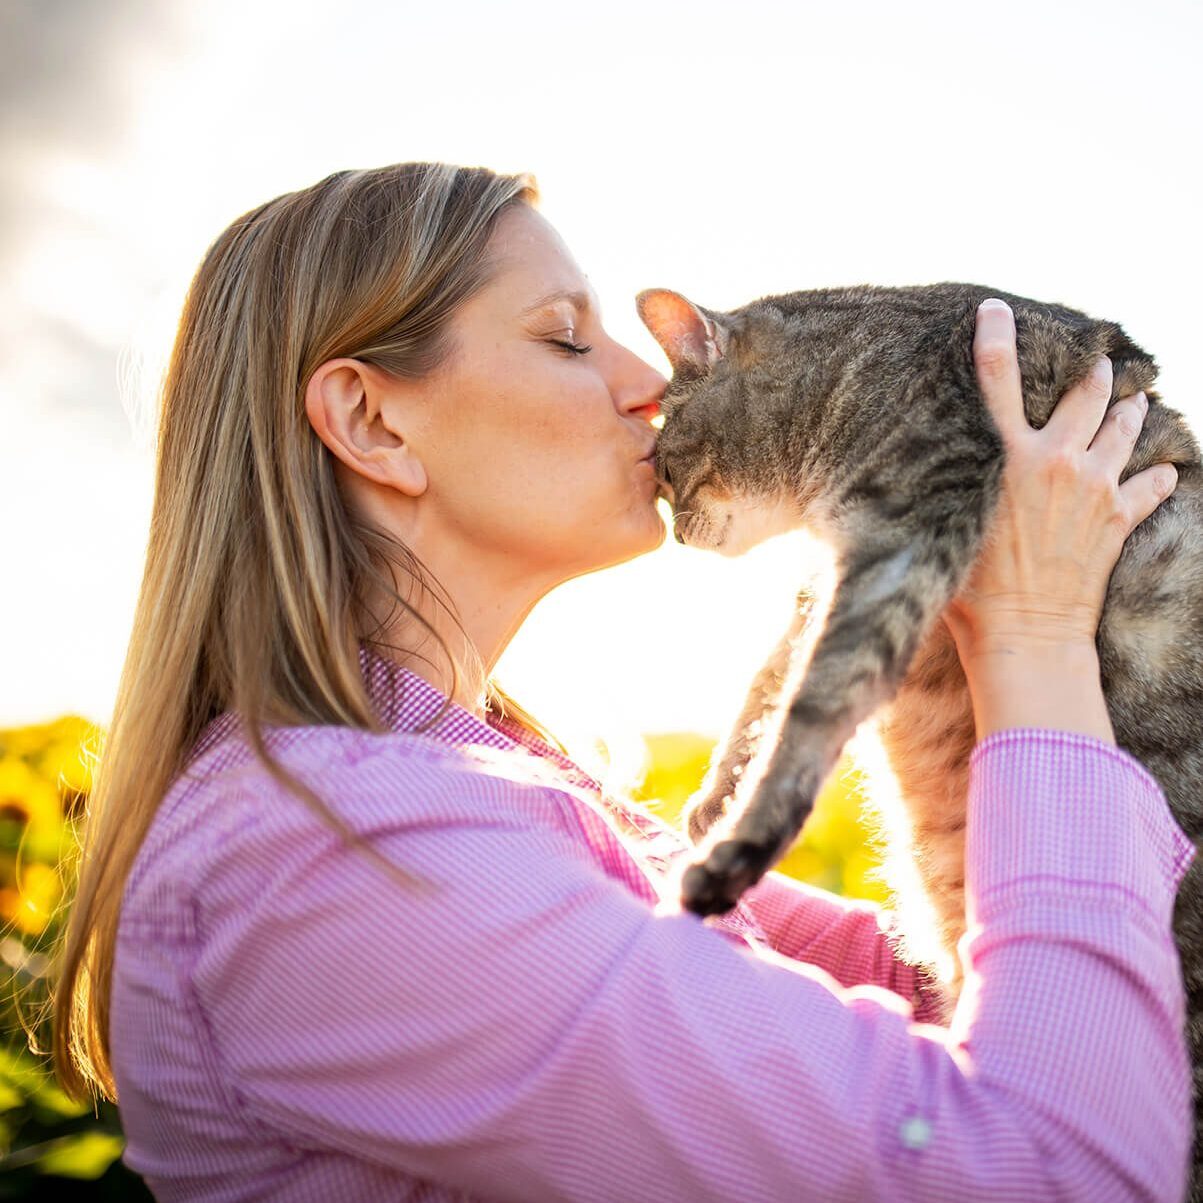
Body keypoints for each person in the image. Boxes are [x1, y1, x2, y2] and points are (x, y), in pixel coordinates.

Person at [49, 163, 1194, 1202]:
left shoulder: (498, 792)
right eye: (565, 338)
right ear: (371, 420)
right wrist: (1033, 637)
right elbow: (1057, 1169)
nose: (650, 383)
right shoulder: (338, 856)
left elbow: (947, 984)